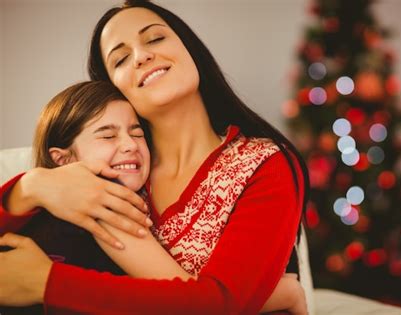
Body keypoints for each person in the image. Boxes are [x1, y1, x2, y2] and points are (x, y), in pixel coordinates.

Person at [0, 0, 310, 314]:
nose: (142, 55)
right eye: (120, 59)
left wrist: (48, 283)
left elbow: (223, 303)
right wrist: (31, 187)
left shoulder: (264, 163)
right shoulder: (115, 172)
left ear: (190, 50)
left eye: (155, 38)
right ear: (114, 90)